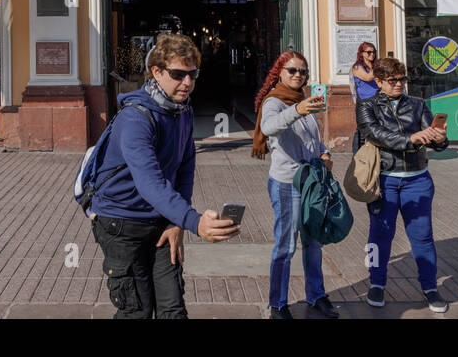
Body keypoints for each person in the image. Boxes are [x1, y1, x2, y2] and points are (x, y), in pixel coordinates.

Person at [88, 33, 240, 318]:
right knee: (137, 310)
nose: (188, 82)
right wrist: (194, 221)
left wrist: (176, 222)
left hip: (159, 221)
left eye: (193, 74)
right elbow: (150, 182)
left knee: (173, 308)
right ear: (156, 72)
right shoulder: (135, 118)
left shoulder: (182, 110)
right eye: (178, 74)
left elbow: (185, 165)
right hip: (121, 223)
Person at [356, 56, 449, 313]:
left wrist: (439, 138)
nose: (399, 84)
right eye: (393, 80)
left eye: (402, 79)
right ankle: (376, 283)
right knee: (380, 235)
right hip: (384, 180)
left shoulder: (418, 105)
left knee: (422, 237)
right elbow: (375, 134)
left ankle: (430, 287)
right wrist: (412, 138)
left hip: (417, 180)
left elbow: (435, 142)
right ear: (379, 82)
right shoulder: (367, 105)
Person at [253, 50, 337, 319]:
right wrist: (297, 111)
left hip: (311, 181)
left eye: (302, 71)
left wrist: (324, 153)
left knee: (313, 243)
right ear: (280, 72)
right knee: (286, 246)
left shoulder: (303, 99)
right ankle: (277, 303)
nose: (298, 75)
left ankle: (316, 295)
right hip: (287, 183)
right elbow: (268, 128)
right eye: (292, 70)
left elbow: (312, 139)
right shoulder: (275, 101)